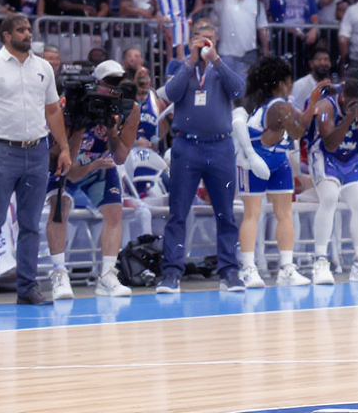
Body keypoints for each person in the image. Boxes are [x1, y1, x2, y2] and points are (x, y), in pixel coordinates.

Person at [0, 14, 71, 308]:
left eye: (29, 29)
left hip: (37, 151)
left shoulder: (42, 68)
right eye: (21, 30)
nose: (28, 34)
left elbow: (53, 111)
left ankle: (27, 287)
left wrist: (63, 148)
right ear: (6, 36)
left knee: (30, 225)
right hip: (1, 152)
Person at [157, 18, 247, 293]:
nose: (205, 42)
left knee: (225, 214)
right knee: (178, 213)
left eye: (209, 37)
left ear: (216, 41)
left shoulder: (225, 65)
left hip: (220, 148)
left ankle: (229, 272)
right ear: (192, 40)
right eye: (200, 37)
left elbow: (239, 90)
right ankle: (172, 273)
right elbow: (171, 94)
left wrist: (216, 60)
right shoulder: (181, 66)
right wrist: (190, 61)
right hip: (187, 147)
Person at [44, 60, 141, 299]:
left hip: (98, 162)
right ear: (96, 84)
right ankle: (59, 273)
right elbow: (71, 169)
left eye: (118, 83)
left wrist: (111, 131)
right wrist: (79, 129)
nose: (113, 89)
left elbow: (119, 158)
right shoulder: (73, 104)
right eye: (109, 83)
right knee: (62, 205)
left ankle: (108, 275)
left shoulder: (130, 108)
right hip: (63, 162)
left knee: (114, 212)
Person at [236, 56, 319, 287]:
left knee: (268, 214)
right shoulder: (278, 106)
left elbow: (289, 130)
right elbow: (296, 133)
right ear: (282, 82)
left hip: (277, 157)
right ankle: (252, 268)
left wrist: (310, 105)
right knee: (259, 214)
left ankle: (284, 268)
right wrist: (313, 105)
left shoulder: (270, 104)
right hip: (257, 160)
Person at [307, 75, 358, 284]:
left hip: (350, 159)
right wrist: (349, 118)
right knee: (330, 197)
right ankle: (320, 260)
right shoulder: (325, 107)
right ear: (341, 96)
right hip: (324, 156)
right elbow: (330, 144)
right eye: (347, 100)